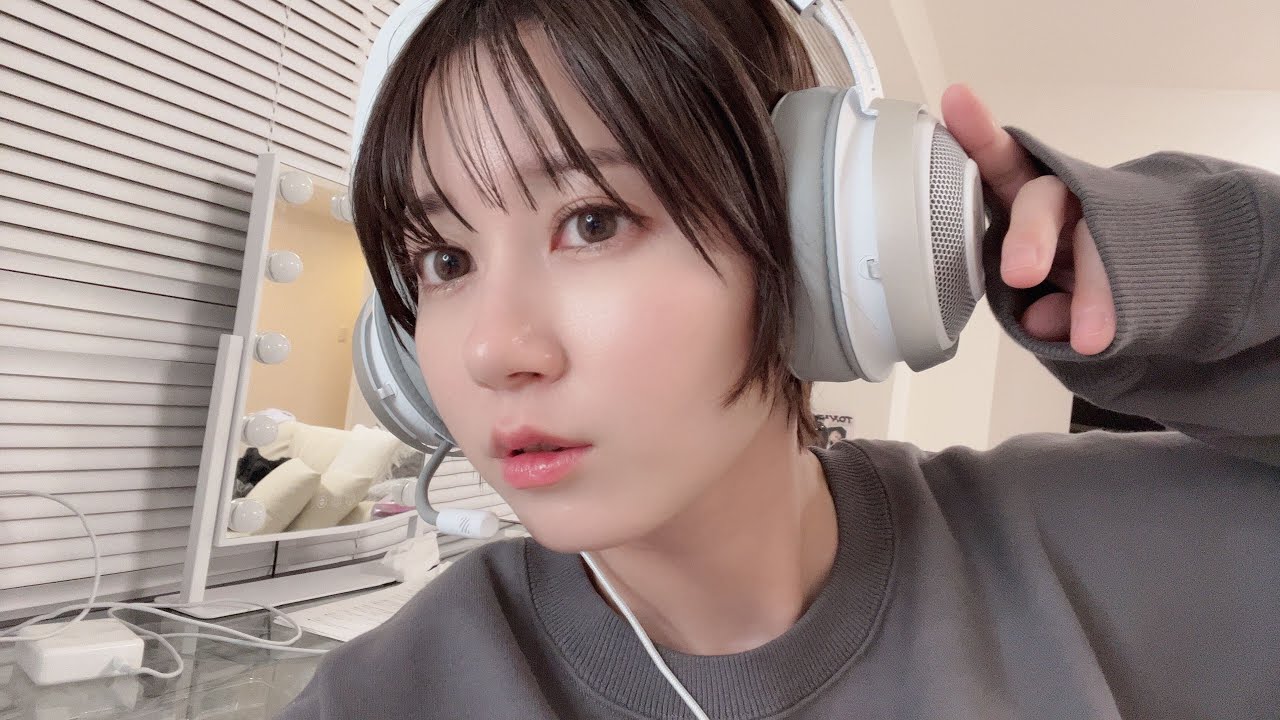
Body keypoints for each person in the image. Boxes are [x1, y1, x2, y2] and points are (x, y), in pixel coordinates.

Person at [278, 0, 1280, 717]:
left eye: (592, 221)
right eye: (443, 260)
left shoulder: (1089, 555)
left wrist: (1202, 262)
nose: (493, 349)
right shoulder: (385, 695)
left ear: (818, 243)